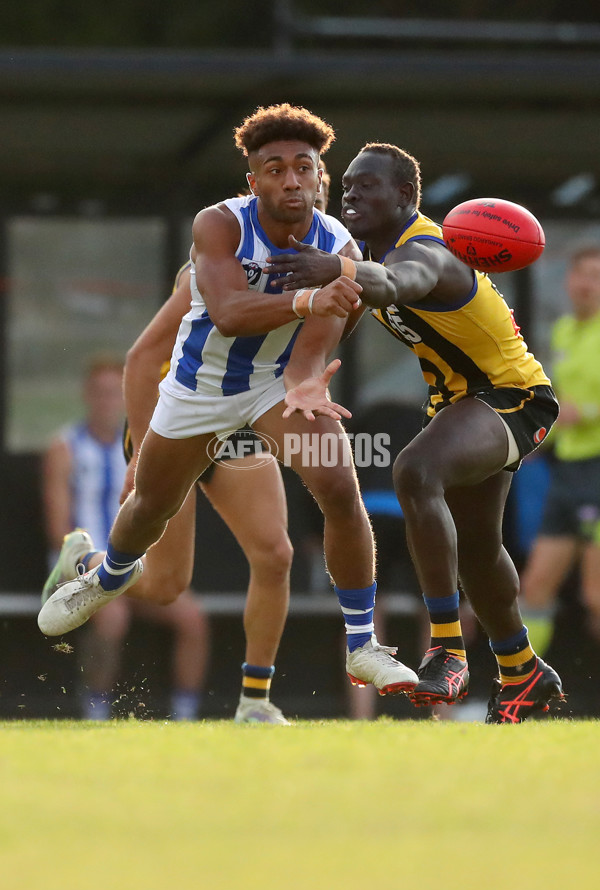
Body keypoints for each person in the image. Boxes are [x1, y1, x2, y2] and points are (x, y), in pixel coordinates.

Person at [39, 104, 419, 702]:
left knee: (325, 499)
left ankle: (348, 652)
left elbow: (324, 331)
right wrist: (136, 447)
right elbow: (226, 316)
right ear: (253, 181)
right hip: (197, 392)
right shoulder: (219, 227)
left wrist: (309, 380)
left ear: (321, 177)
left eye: (304, 168)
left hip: (269, 388)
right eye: (275, 169)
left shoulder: (340, 243)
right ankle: (102, 572)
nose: (291, 180)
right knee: (153, 533)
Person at [264, 141, 564, 723]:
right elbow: (345, 307)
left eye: (367, 185)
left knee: (414, 470)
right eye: (346, 184)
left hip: (512, 399)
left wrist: (342, 269)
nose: (351, 193)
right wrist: (304, 374)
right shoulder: (364, 251)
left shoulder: (429, 249)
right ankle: (524, 670)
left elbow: (398, 282)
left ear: (405, 196)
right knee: (478, 548)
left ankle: (447, 650)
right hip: (461, 403)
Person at [41, 354, 208, 720]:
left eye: (113, 393)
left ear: (125, 397)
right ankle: (95, 712)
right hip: (80, 565)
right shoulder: (64, 447)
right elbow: (59, 533)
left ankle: (185, 716)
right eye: (99, 393)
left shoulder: (143, 448)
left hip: (133, 565)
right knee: (112, 615)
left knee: (192, 618)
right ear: (86, 395)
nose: (106, 402)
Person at [520, 245, 600, 640]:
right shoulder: (565, 329)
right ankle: (526, 693)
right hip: (567, 471)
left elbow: (577, 407)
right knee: (534, 588)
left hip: (598, 469)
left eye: (597, 277)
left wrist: (585, 411)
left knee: (596, 596)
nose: (588, 284)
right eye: (582, 274)